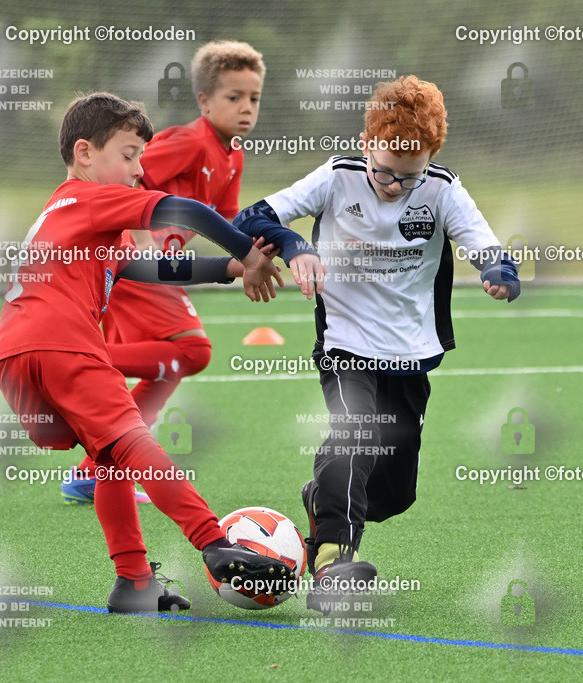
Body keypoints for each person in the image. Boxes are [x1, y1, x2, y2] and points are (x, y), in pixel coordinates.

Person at [0, 92, 290, 613]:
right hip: (63, 343)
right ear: (84, 153)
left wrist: (229, 269)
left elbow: (155, 270)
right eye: (129, 156)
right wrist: (247, 252)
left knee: (110, 457)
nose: (138, 171)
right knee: (132, 441)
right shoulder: (90, 198)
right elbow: (187, 210)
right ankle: (215, 544)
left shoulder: (68, 212)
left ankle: (133, 582)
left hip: (14, 357)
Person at [234, 75, 521, 612]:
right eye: (384, 171)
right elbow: (251, 217)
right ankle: (333, 565)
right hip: (345, 344)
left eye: (408, 177)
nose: (393, 186)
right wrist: (295, 245)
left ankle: (323, 498)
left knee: (392, 493)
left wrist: (498, 270)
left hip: (410, 354)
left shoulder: (441, 189)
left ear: (431, 159)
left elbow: (484, 243)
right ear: (366, 144)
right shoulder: (337, 178)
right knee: (355, 436)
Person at [63, 40, 321, 505]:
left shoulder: (233, 155)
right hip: (132, 260)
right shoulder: (188, 141)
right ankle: (73, 362)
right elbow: (129, 173)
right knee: (192, 350)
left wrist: (271, 249)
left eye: (254, 97)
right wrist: (142, 237)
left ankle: (95, 469)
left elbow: (231, 223)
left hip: (154, 269)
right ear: (204, 101)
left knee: (166, 369)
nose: (246, 107)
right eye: (233, 97)